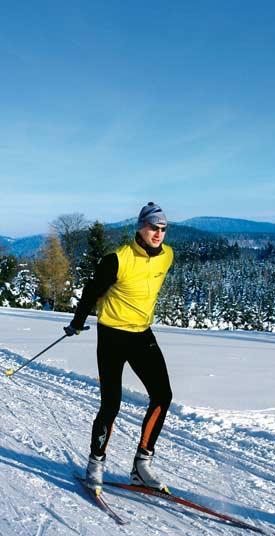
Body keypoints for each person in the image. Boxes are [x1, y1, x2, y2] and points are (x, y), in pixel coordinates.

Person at [68, 202, 175, 494]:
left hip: (141, 334)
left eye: (163, 229)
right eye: (154, 227)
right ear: (140, 227)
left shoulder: (167, 256)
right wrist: (77, 323)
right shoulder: (117, 259)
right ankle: (96, 463)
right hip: (112, 336)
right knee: (111, 404)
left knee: (162, 396)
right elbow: (91, 292)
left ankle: (142, 465)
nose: (158, 234)